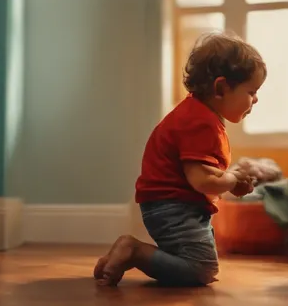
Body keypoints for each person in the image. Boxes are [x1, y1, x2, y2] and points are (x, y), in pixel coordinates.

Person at [94, 32, 267, 287]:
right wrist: (230, 181)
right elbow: (201, 180)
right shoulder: (201, 123)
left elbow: (203, 172)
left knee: (193, 260)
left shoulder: (197, 114)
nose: (255, 99)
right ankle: (134, 251)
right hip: (174, 207)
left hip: (172, 204)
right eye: (251, 91)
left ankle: (117, 257)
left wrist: (231, 180)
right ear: (220, 88)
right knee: (201, 269)